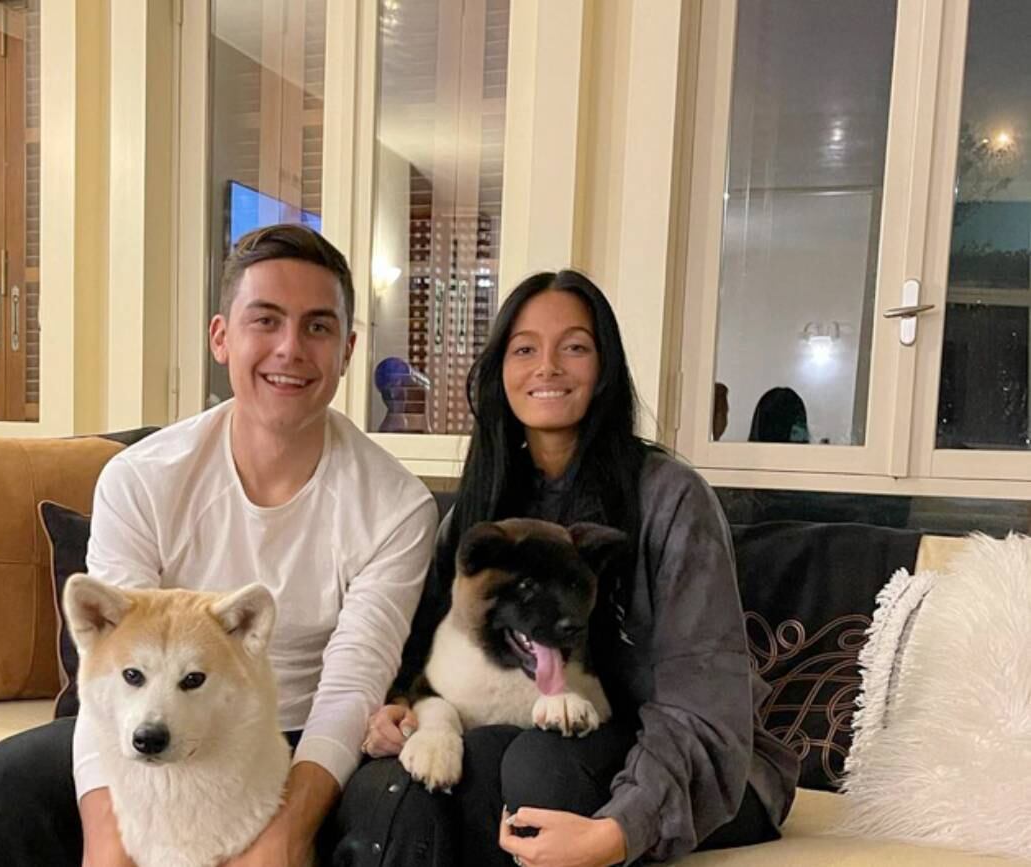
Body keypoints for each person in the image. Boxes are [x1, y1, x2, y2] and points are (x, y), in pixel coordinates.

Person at [0, 224, 438, 867]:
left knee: (401, 809)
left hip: (307, 734)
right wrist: (108, 840)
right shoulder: (142, 478)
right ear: (221, 337)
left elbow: (353, 682)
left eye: (318, 327)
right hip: (165, 716)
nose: (290, 348)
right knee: (9, 780)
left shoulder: (396, 506)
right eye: (265, 320)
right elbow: (108, 661)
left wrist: (286, 835)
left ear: (347, 350)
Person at [326, 270, 798, 867]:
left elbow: (703, 707)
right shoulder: (482, 507)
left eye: (574, 347)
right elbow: (421, 656)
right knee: (403, 787)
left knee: (538, 769)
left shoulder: (672, 499)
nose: (547, 367)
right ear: (500, 370)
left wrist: (620, 830)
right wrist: (401, 710)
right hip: (556, 743)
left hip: (703, 770)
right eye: (525, 350)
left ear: (604, 367)